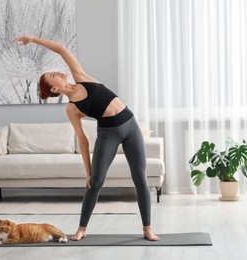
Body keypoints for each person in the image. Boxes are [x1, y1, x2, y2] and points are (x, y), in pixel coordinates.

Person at [12, 35, 160, 241]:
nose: (56, 72)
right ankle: (81, 228)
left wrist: (33, 40)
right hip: (107, 134)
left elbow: (61, 48)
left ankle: (147, 229)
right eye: (51, 76)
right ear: (54, 88)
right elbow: (82, 140)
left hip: (130, 126)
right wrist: (88, 172)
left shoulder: (81, 77)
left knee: (140, 180)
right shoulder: (72, 109)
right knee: (95, 182)